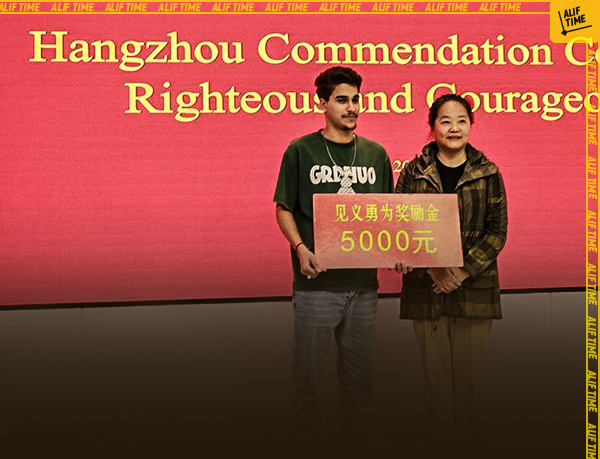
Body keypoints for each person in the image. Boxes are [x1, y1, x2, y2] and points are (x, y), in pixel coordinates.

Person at [273, 66, 394, 457]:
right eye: (342, 100)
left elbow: (389, 216)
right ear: (322, 103)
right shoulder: (300, 150)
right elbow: (283, 208)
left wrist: (401, 253)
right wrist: (300, 248)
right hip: (317, 286)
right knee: (310, 387)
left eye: (356, 99)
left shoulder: (376, 154)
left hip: (364, 286)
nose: (352, 107)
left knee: (361, 387)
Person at [395, 94, 508, 458]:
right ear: (432, 127)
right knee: (437, 386)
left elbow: (497, 232)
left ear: (471, 125)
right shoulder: (413, 172)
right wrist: (434, 270)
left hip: (474, 290)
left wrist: (460, 272)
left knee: (470, 385)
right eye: (445, 121)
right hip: (426, 289)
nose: (454, 128)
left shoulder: (488, 172)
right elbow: (400, 227)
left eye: (461, 120)